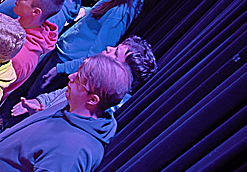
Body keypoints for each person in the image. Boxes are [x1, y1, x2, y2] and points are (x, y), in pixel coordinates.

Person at [0, 54, 132, 172]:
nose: (70, 77)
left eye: (78, 78)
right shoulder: (71, 107)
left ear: (92, 100)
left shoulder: (71, 152)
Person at [41, 0, 157, 87]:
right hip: (62, 53)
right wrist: (86, 11)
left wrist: (61, 69)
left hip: (66, 63)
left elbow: (96, 53)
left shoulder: (120, 13)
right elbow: (102, 13)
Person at [13, 35, 157, 118]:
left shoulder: (107, 105)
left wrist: (42, 115)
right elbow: (61, 93)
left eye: (115, 53)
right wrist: (40, 101)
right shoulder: (92, 76)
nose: (109, 48)